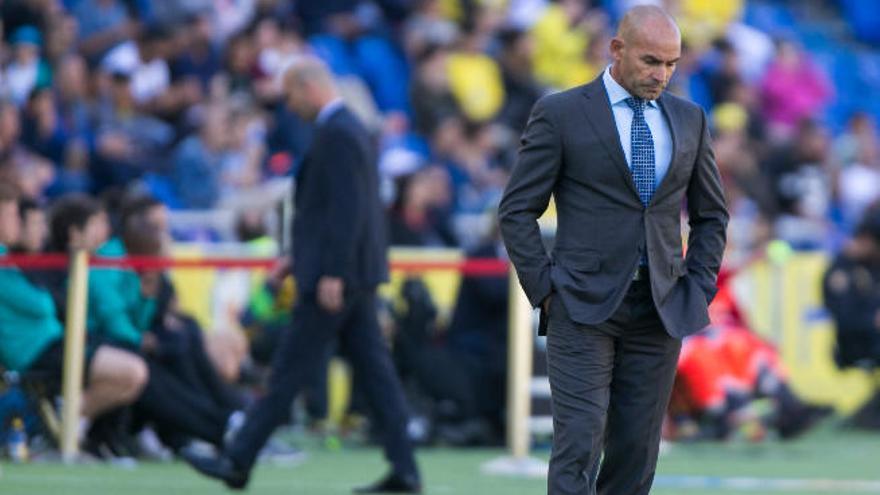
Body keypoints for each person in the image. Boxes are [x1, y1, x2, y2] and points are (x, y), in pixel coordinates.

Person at [497, 6, 728, 495]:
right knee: (578, 445)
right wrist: (545, 290)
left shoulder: (691, 118)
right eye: (650, 61)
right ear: (616, 49)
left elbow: (712, 215)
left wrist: (698, 285)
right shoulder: (560, 113)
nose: (661, 74)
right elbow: (516, 210)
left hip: (661, 310)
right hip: (580, 307)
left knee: (636, 453)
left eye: (671, 64)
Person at [183, 56, 422, 493]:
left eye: (290, 95)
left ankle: (238, 460)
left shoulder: (338, 133)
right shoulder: (347, 129)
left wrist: (331, 271)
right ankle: (405, 470)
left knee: (289, 372)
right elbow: (336, 209)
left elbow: (346, 211)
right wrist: (298, 256)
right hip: (350, 274)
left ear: (310, 87)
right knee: (376, 375)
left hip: (337, 279)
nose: (289, 106)